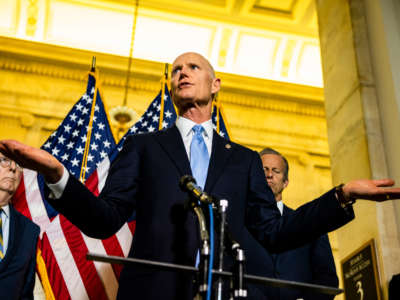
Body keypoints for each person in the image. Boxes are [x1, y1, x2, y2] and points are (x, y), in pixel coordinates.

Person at [1, 52, 400, 300]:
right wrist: (58, 175)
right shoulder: (144, 146)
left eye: (193, 67)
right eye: (176, 70)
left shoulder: (243, 160)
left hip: (225, 292)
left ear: (215, 85)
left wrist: (342, 195)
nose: (182, 72)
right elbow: (105, 218)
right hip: (153, 292)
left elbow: (276, 231)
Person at [260, 147, 338, 299]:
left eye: (276, 171)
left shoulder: (310, 222)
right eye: (264, 169)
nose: (269, 175)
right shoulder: (240, 222)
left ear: (286, 182)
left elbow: (327, 279)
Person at [0, 153, 40, 300]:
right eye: (4, 160)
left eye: (18, 164)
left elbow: (26, 292)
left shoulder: (30, 230)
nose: (12, 168)